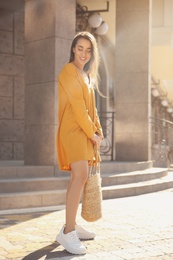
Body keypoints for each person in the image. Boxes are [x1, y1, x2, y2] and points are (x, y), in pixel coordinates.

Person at [56, 31, 104, 255]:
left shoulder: (87, 76)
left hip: (84, 131)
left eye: (88, 49)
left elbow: (92, 110)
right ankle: (68, 232)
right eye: (80, 48)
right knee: (81, 176)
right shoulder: (68, 71)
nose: (83, 53)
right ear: (73, 49)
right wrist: (90, 132)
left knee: (78, 179)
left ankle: (70, 225)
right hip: (72, 131)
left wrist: (98, 131)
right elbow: (77, 106)